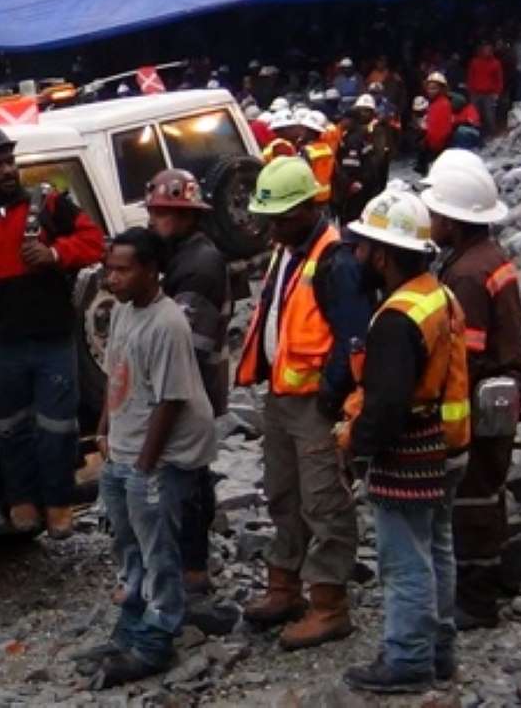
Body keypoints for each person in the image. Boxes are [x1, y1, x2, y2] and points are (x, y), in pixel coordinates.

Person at [337, 189, 470, 694]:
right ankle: (438, 652)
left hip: (411, 453)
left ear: (385, 254)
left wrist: (357, 446)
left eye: (365, 246)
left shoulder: (397, 319)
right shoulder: (437, 293)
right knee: (437, 548)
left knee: (405, 559)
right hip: (448, 445)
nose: (358, 254)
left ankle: (408, 659)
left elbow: (387, 404)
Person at [235, 158, 371, 650]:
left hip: (314, 402)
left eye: (282, 217)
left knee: (324, 502)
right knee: (282, 493)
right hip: (282, 397)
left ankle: (329, 604)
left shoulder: (336, 261)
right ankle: (284, 586)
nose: (272, 227)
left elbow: (353, 339)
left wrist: (332, 394)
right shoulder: (288, 250)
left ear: (309, 206)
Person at [0, 121, 105, 538]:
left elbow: (95, 242)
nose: (5, 171)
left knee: (58, 426)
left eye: (9, 162)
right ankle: (22, 500)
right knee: (12, 429)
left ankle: (59, 504)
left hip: (52, 340)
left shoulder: (50, 204)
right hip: (3, 344)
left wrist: (56, 253)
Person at [88, 228, 218, 688]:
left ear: (150, 270)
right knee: (128, 544)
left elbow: (171, 399)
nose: (113, 278)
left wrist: (145, 465)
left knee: (159, 548)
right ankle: (131, 624)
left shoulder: (167, 324)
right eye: (110, 268)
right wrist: (105, 428)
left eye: (123, 269)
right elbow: (115, 371)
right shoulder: (124, 311)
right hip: (125, 447)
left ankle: (157, 637)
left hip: (160, 456)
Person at [421, 153, 521, 631]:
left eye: (437, 213)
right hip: (502, 391)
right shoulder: (488, 256)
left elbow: (463, 353)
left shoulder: (465, 274)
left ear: (454, 218)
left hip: (480, 398)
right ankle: (497, 573)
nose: (432, 220)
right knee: (489, 487)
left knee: (472, 495)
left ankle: (477, 599)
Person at [144, 169, 229, 596]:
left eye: (163, 213)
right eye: (155, 212)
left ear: (186, 216)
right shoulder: (182, 256)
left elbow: (187, 346)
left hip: (194, 386)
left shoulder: (198, 266)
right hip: (195, 383)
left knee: (188, 478)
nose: (154, 221)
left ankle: (193, 569)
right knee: (189, 476)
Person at [467, 42, 505, 136]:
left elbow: (499, 79)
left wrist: (497, 93)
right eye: (485, 49)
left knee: (489, 116)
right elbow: (470, 77)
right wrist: (470, 90)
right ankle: (475, 134)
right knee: (474, 115)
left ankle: (492, 134)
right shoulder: (474, 62)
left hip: (489, 94)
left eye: (488, 50)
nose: (486, 52)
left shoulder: (496, 63)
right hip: (476, 93)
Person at [423, 72, 455, 171]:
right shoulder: (433, 104)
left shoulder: (443, 104)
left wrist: (435, 144)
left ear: (441, 89)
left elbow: (444, 129)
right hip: (432, 145)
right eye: (429, 88)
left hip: (440, 147)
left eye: (434, 88)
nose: (430, 91)